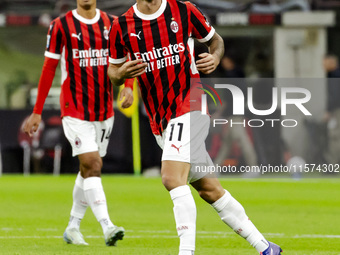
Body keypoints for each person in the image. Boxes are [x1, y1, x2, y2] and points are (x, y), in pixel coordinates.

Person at [107, 0, 282, 254]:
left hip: (190, 105)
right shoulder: (121, 26)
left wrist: (214, 57)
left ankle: (186, 252)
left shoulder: (183, 10)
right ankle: (265, 247)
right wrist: (122, 76)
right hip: (161, 120)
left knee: (170, 178)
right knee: (210, 190)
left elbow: (216, 41)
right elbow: (113, 71)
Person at [23, 0, 132, 246]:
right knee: (92, 163)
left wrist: (128, 87)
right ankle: (108, 227)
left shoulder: (112, 24)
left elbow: (127, 58)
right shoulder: (60, 25)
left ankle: (73, 227)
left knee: (88, 169)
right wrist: (37, 111)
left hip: (104, 111)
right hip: (74, 109)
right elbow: (49, 68)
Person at [323, 54, 340, 166]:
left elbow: (335, 95)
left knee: (335, 137)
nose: (322, 64)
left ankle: (332, 165)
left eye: (325, 62)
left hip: (337, 110)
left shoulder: (335, 75)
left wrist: (329, 111)